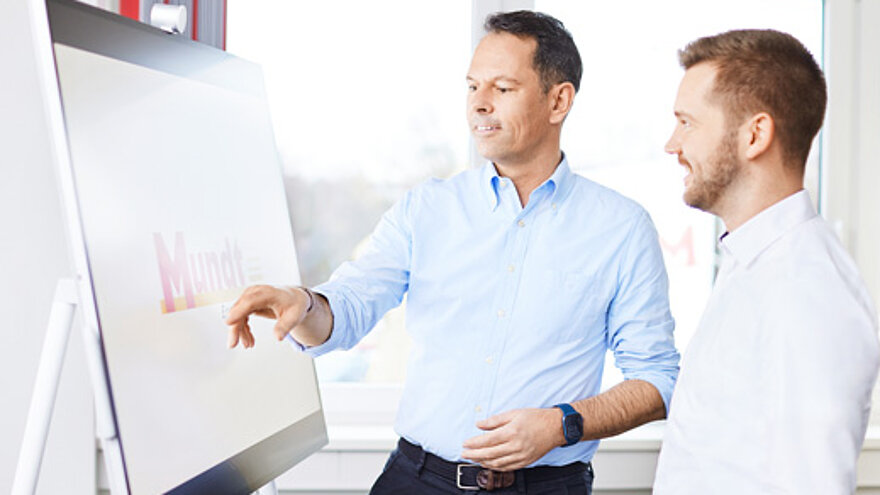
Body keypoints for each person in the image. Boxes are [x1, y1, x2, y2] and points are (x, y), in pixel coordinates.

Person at [227, 11, 679, 494]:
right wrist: (305, 305)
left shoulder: (621, 228)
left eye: (502, 89)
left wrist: (562, 424)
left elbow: (657, 380)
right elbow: (351, 306)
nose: (479, 105)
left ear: (559, 100)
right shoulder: (427, 208)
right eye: (472, 87)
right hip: (416, 480)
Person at [653, 29, 880, 493]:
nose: (672, 145)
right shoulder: (753, 264)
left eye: (688, 123)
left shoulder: (805, 293)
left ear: (755, 134)